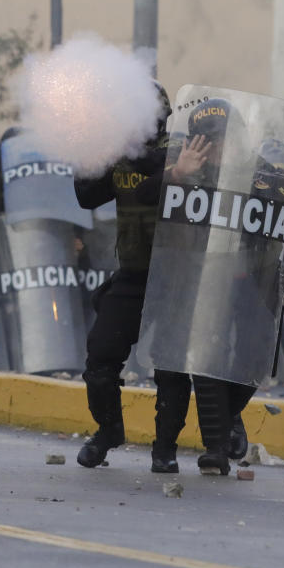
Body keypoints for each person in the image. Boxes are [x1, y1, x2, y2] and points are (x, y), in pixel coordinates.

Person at [148, 98, 284, 474]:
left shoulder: (259, 171)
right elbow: (145, 202)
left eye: (222, 139)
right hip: (198, 283)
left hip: (252, 281)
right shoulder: (185, 173)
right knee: (207, 360)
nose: (215, 147)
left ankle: (231, 416)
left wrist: (265, 189)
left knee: (255, 357)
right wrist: (179, 175)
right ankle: (216, 450)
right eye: (206, 139)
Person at [73, 83, 195, 473]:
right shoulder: (121, 155)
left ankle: (165, 448)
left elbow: (155, 171)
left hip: (175, 276)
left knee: (170, 365)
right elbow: (86, 196)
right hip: (131, 275)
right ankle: (108, 432)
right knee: (100, 355)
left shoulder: (181, 153)